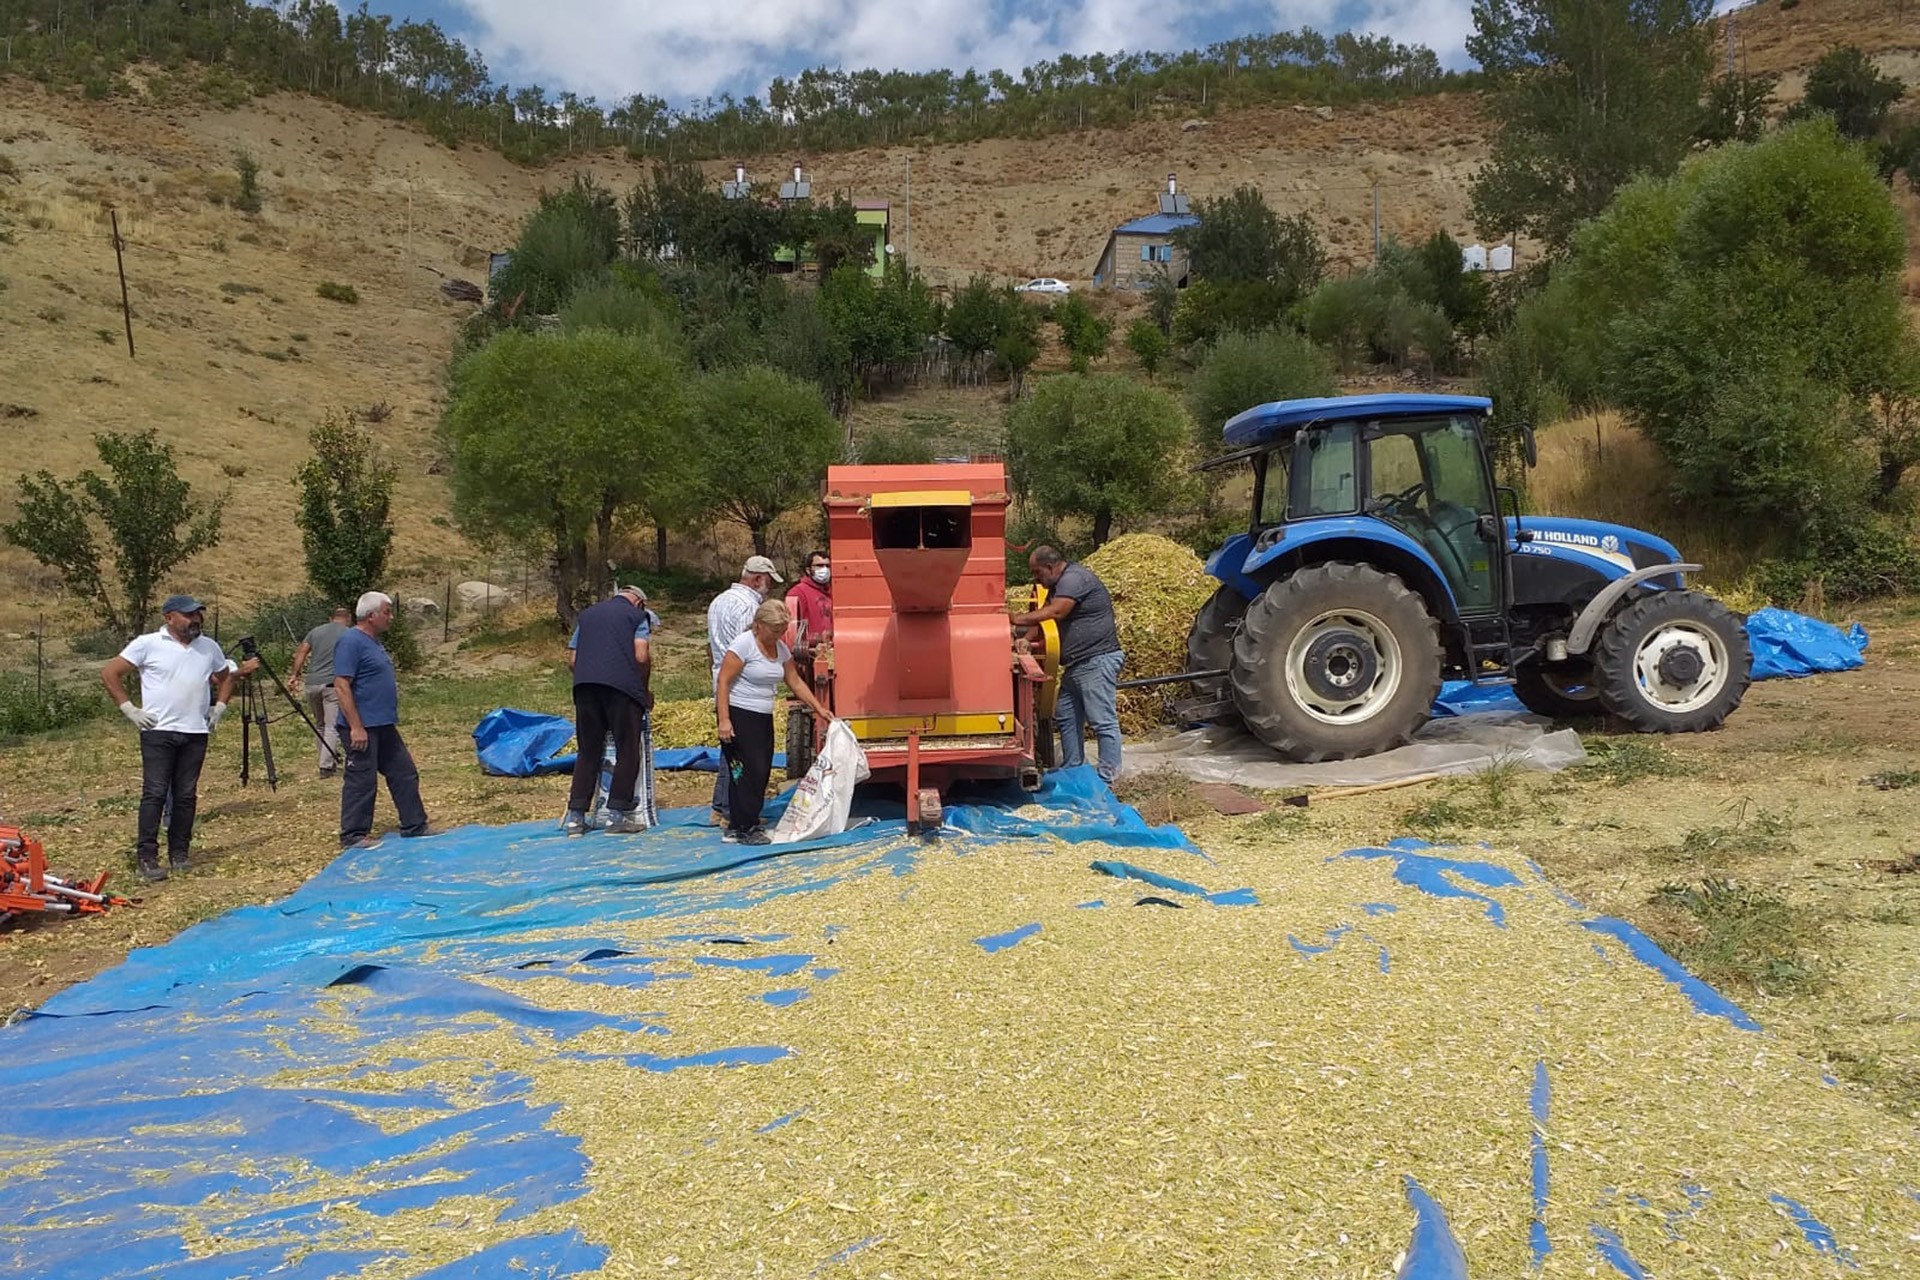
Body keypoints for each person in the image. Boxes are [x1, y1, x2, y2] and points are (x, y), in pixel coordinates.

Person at [99, 594, 237, 881]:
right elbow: (110, 672)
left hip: (195, 731)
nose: (195, 620)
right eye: (188, 616)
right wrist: (129, 709)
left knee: (186, 795)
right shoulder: (148, 644)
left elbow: (226, 676)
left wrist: (219, 707)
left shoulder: (208, 647)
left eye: (198, 615)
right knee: (155, 793)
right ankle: (147, 857)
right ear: (170, 618)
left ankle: (180, 853)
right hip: (158, 731)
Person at [715, 598, 831, 845]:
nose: (778, 635)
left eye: (781, 630)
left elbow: (795, 681)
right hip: (740, 712)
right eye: (774, 630)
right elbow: (723, 681)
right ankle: (743, 827)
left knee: (761, 768)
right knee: (747, 770)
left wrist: (818, 707)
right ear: (758, 625)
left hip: (762, 714)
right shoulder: (744, 645)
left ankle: (744, 819)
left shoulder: (780, 650)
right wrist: (724, 719)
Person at [1009, 545, 1125, 783]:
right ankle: (1073, 770)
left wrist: (1014, 619)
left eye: (1038, 573)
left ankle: (1107, 778)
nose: (1036, 580)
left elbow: (1057, 613)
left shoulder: (1074, 579)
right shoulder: (1056, 587)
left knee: (1101, 720)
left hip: (1096, 659)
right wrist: (1026, 640)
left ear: (1050, 567)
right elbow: (1043, 617)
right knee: (1066, 716)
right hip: (1076, 665)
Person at [334, 591, 431, 848]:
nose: (391, 617)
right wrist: (356, 726)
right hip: (363, 726)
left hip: (384, 724)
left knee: (404, 772)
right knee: (362, 780)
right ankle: (353, 834)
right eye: (387, 612)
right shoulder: (351, 641)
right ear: (370, 615)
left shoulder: (374, 642)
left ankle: (415, 824)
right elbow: (342, 685)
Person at [562, 583, 659, 836]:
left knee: (588, 751)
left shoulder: (588, 615)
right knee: (628, 749)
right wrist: (643, 690)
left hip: (584, 687)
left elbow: (572, 659)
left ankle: (576, 817)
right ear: (639, 602)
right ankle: (616, 815)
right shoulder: (638, 616)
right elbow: (641, 655)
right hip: (622, 690)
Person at [706, 555, 782, 825]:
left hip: (722, 676)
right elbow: (749, 646)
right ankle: (733, 811)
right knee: (744, 754)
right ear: (758, 578)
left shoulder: (718, 602)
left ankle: (720, 807)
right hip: (742, 687)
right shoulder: (751, 608)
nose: (769, 587)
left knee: (730, 748)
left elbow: (712, 647)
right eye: (769, 581)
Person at [289, 605, 352, 776]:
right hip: (332, 684)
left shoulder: (315, 631)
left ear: (330, 618)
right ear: (348, 618)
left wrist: (295, 675)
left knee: (320, 724)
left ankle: (325, 756)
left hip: (312, 683)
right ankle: (326, 765)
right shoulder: (348, 633)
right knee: (332, 725)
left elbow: (301, 652)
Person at [785, 549, 833, 655]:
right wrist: (817, 639)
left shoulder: (832, 592)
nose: (824, 569)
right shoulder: (797, 593)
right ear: (808, 570)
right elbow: (792, 632)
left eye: (827, 566)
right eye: (819, 565)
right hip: (809, 655)